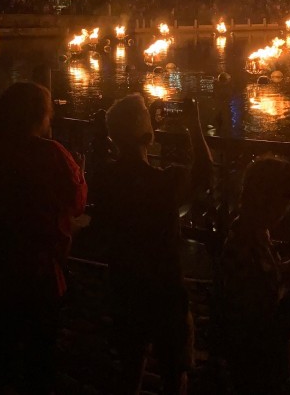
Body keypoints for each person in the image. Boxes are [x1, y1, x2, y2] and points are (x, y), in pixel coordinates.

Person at [90, 94, 211, 395]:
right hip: (165, 290)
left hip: (124, 286)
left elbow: (96, 165)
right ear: (147, 135)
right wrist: (193, 125)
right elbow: (205, 173)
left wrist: (99, 134)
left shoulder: (105, 177)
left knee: (130, 367)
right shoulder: (164, 183)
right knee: (174, 371)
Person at [0, 81, 87, 394]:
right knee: (40, 347)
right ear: (39, 116)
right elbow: (77, 200)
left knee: (0, 340)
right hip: (39, 268)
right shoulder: (52, 154)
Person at [217, 157, 290, 394]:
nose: (287, 211)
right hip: (259, 366)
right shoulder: (246, 247)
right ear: (267, 199)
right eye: (286, 201)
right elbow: (269, 327)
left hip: (258, 361)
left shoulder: (251, 233)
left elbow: (265, 278)